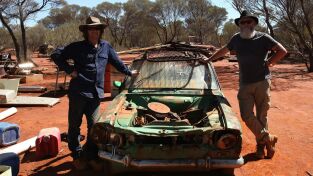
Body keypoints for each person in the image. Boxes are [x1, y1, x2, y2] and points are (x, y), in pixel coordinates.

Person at [51, 16, 138, 170]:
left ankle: (91, 154)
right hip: (79, 92)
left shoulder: (106, 47)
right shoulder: (77, 47)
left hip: (96, 95)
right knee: (74, 125)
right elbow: (56, 55)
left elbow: (117, 61)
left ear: (100, 31)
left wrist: (129, 73)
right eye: (91, 29)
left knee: (95, 127)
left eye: (97, 29)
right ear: (86, 31)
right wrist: (70, 70)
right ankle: (77, 154)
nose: (94, 32)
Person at [201, 11, 287, 159]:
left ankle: (261, 149)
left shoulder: (263, 37)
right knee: (246, 115)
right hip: (245, 83)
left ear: (254, 23)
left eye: (249, 22)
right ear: (239, 24)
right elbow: (224, 50)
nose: (246, 25)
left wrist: (270, 62)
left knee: (262, 115)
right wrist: (209, 59)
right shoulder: (236, 39)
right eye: (243, 22)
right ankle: (268, 138)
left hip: (262, 82)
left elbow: (282, 50)